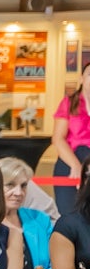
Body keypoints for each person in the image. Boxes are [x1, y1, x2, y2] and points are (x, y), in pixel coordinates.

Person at [0, 156, 57, 269]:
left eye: (23, 186)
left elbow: (58, 262)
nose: (19, 192)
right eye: (10, 185)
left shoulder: (40, 219)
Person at [50, 77, 89, 216]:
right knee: (70, 214)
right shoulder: (69, 102)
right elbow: (58, 138)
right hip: (70, 161)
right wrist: (76, 165)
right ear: (82, 79)